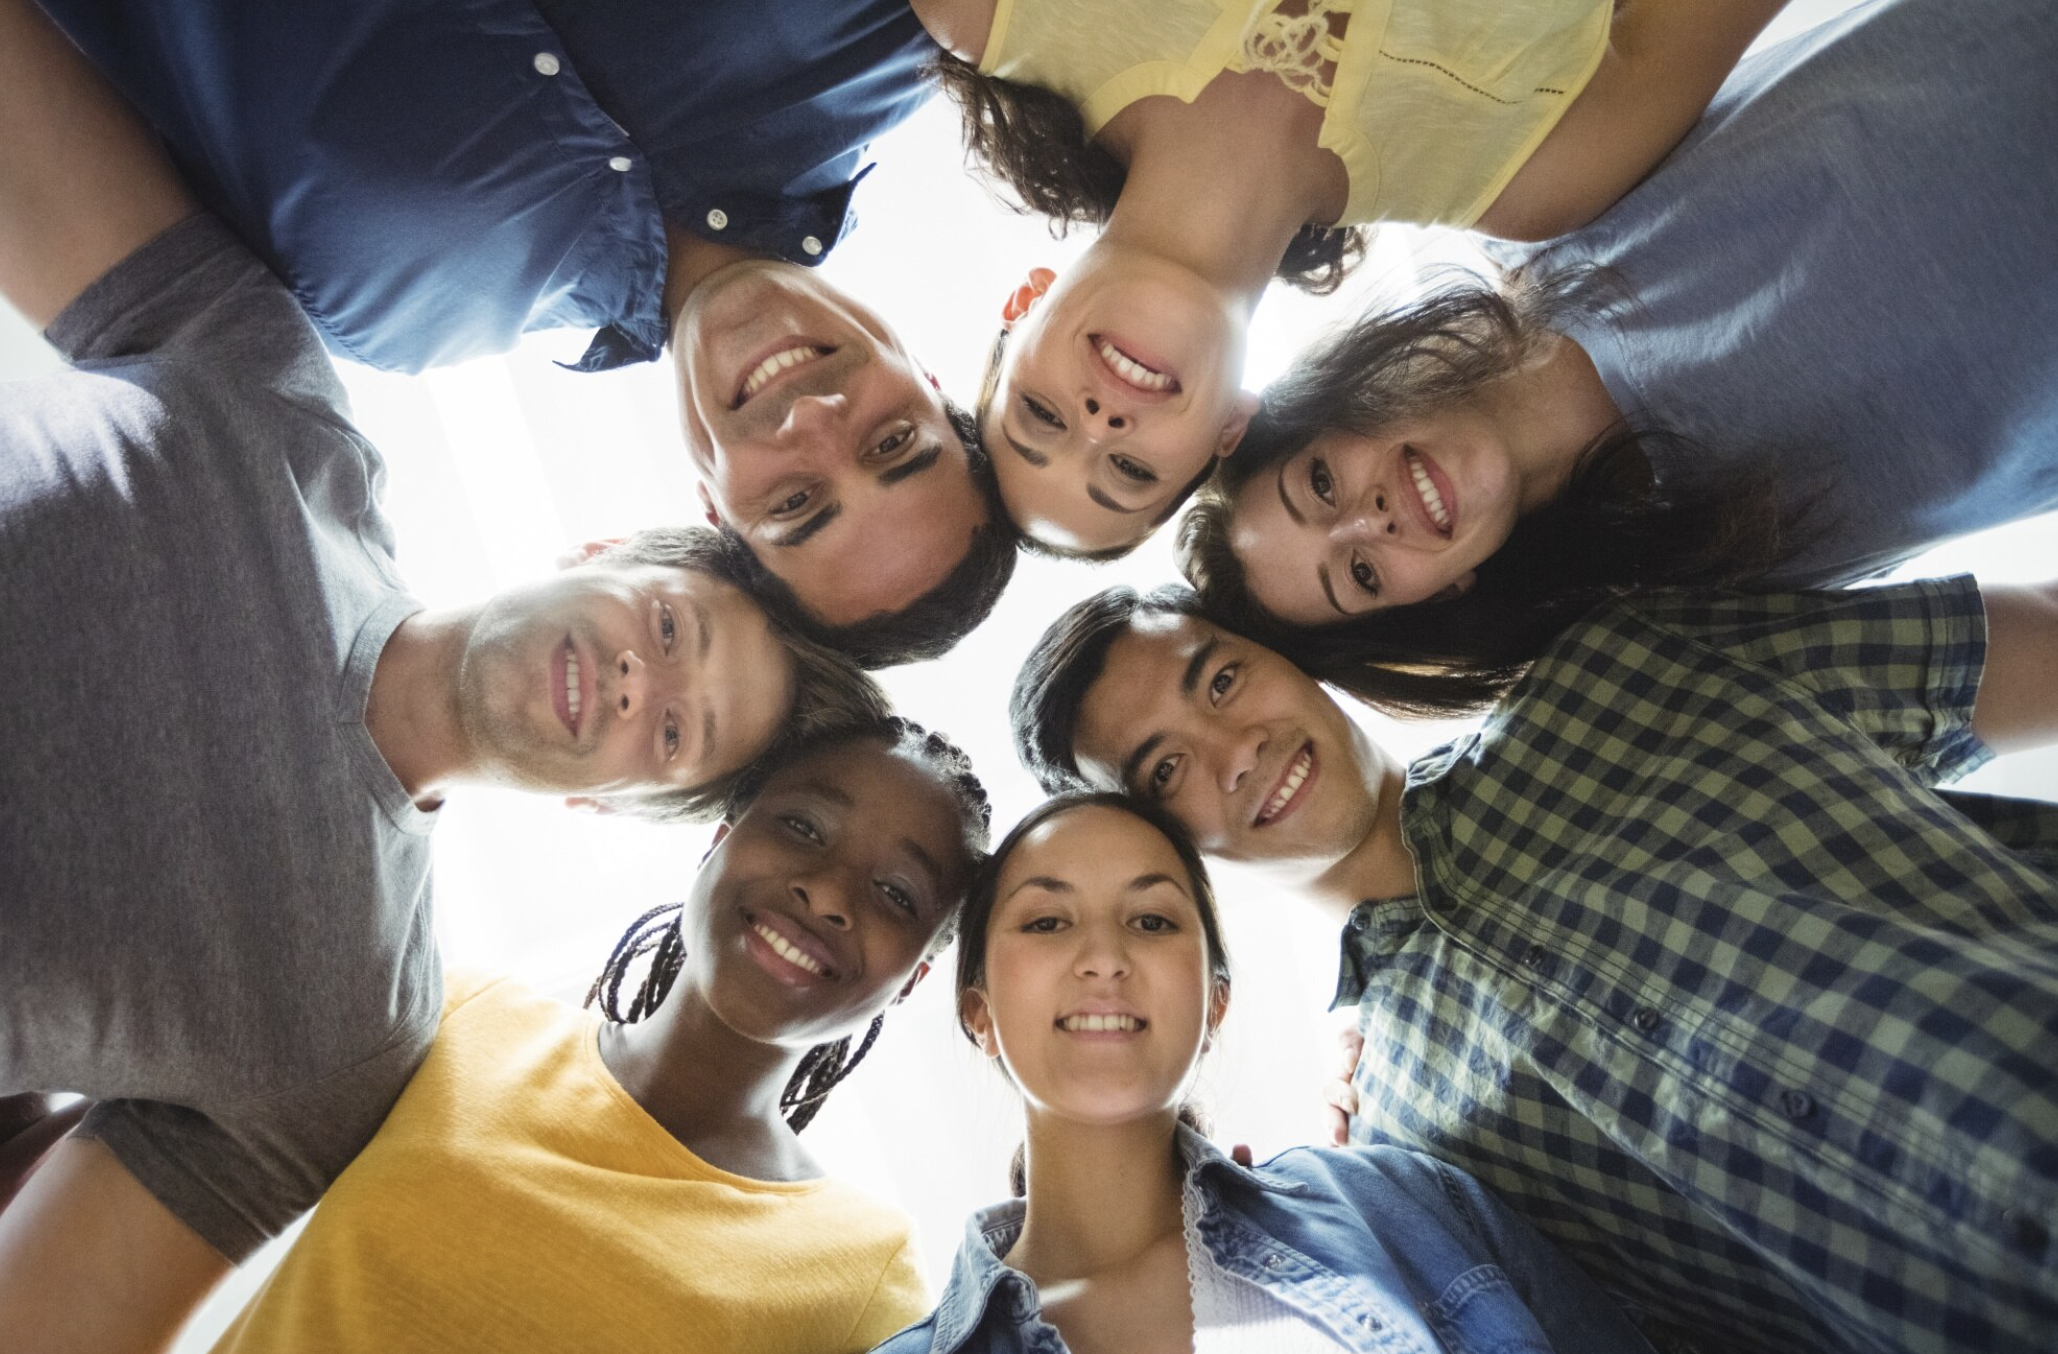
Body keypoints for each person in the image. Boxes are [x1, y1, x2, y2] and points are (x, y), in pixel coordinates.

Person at [0, 0, 885, 1323]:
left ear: (614, 804)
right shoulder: (269, 394)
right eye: (669, 630)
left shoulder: (349, 1035)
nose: (643, 685)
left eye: (673, 735)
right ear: (603, 549)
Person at [1005, 581, 2058, 1353]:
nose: (1235, 746)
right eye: (1170, 768)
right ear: (1169, 845)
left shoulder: (1624, 665)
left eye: (1222, 678)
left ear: (1279, 647)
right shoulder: (1396, 1148)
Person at [39, 0, 1021, 664]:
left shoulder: (383, 318)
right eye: (894, 442)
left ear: (715, 510)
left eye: (799, 500)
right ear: (934, 381)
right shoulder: (901, 36)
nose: (814, 417)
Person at [2, 717, 992, 1354]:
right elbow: (151, 1135)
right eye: (807, 829)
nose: (826, 891)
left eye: (896, 892)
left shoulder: (864, 1273)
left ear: (909, 979)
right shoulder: (460, 1016)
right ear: (721, 836)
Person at [1178, 0, 2058, 715]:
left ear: (1337, 403)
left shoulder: (1551, 201)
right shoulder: (1709, 588)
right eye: (1362, 575)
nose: (1370, 519)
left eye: (1321, 483)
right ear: (1445, 595)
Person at [922, 0, 1792, 557]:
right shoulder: (1536, 177)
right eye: (1129, 469)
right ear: (1228, 430)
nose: (1101, 421)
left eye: (1041, 416)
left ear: (1023, 304)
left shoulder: (986, 9)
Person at [876, 793, 1655, 1354]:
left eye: (1152, 921)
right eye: (1048, 922)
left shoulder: (1396, 1203)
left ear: (1214, 1005)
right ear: (979, 1013)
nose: (1105, 958)